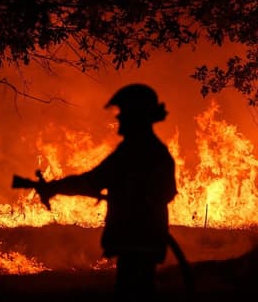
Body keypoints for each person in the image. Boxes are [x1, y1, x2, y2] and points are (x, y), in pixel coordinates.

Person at [28, 84, 177, 301]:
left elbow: (91, 182)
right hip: (146, 237)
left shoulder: (135, 152)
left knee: (131, 290)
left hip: (138, 237)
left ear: (137, 116)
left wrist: (55, 188)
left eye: (124, 113)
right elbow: (94, 182)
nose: (120, 119)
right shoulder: (149, 150)